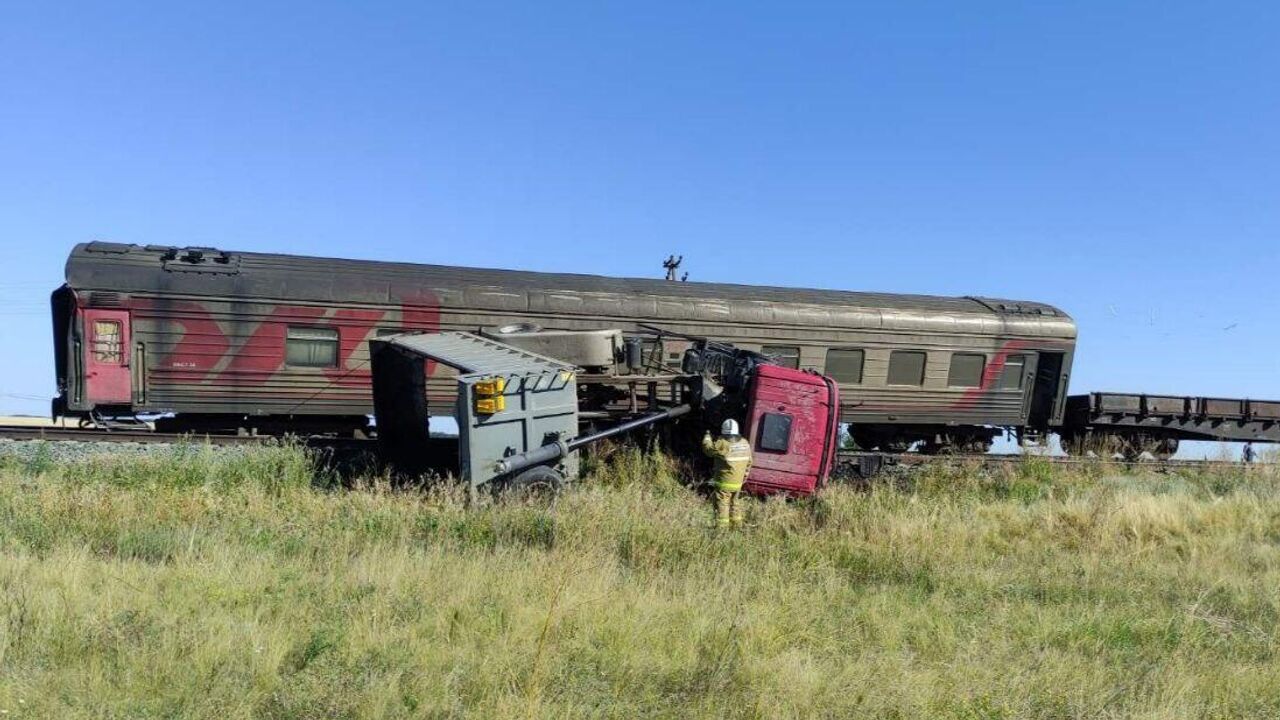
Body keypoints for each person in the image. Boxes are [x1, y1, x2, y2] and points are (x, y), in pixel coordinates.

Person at [702, 419, 753, 528]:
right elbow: (749, 462)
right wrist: (744, 477)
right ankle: (737, 526)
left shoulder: (722, 443)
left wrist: (707, 436)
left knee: (722, 504)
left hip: (724, 482)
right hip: (738, 482)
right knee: (735, 503)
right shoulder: (745, 443)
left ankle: (721, 530)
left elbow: (708, 450)